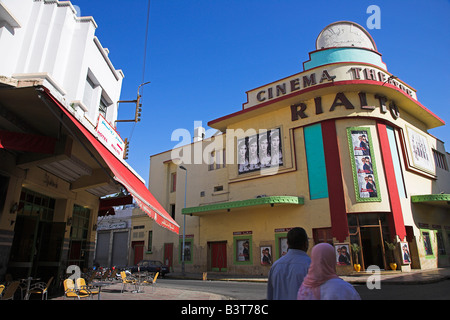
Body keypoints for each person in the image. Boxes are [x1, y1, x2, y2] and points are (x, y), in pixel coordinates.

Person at [267, 227, 311, 300]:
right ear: (306, 244)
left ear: (287, 243)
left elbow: (270, 295)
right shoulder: (310, 265)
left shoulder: (276, 266)